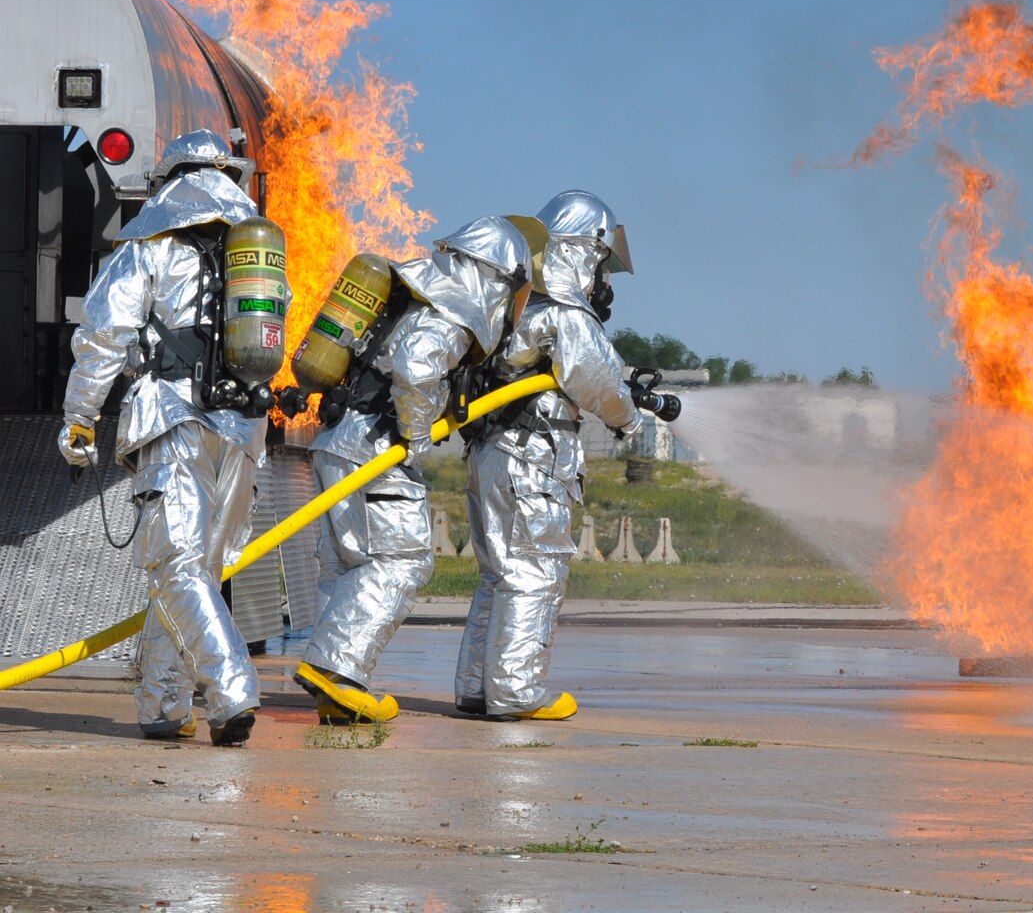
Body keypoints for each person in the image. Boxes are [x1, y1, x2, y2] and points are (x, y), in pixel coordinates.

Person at [58, 130, 286, 746]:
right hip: (243, 428)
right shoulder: (254, 248)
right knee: (191, 572)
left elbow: (103, 337)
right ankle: (162, 705)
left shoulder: (149, 247)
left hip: (174, 419)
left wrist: (79, 418)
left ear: (170, 180)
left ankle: (231, 690)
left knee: (178, 565)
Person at [292, 216, 535, 724]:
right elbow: (416, 364)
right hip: (376, 445)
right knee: (402, 561)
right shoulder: (454, 310)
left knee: (349, 565)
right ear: (495, 277)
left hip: (336, 440)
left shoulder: (414, 296)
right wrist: (418, 431)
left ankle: (335, 692)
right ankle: (334, 670)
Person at [455, 190, 640, 720]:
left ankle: (477, 686)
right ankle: (514, 692)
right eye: (601, 265)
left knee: (500, 573)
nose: (602, 281)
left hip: (495, 453)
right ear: (584, 252)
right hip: (532, 458)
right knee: (534, 573)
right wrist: (629, 416)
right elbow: (600, 384)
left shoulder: (517, 305)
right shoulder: (564, 313)